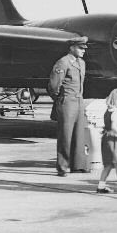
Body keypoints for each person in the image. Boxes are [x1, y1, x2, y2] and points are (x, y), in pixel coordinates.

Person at [48, 36, 89, 176]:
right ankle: (63, 166)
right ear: (72, 48)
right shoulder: (63, 62)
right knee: (65, 135)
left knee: (79, 134)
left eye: (84, 49)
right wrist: (60, 99)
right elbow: (54, 86)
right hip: (67, 102)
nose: (83, 51)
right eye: (80, 48)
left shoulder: (81, 63)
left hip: (78, 101)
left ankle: (78, 165)